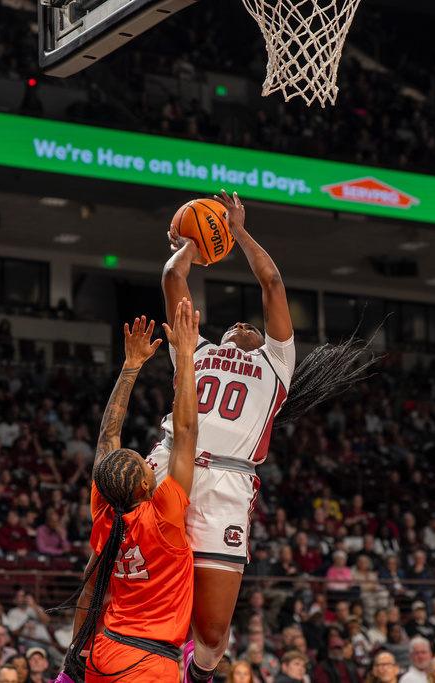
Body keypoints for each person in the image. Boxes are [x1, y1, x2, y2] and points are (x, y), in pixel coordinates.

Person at [156, 191, 376, 683]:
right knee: (119, 580)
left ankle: (198, 675)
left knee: (212, 636)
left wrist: (235, 232)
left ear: (266, 343)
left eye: (250, 326)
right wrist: (190, 242)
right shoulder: (192, 347)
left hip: (227, 487)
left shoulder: (276, 367)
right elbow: (174, 277)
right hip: (170, 464)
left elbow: (272, 282)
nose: (240, 325)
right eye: (235, 324)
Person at [56, 303, 201, 681]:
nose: (151, 464)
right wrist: (186, 357)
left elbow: (107, 436)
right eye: (145, 464)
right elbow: (185, 431)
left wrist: (131, 365)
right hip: (149, 664)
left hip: (105, 651)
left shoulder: (105, 512)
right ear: (143, 486)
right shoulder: (163, 515)